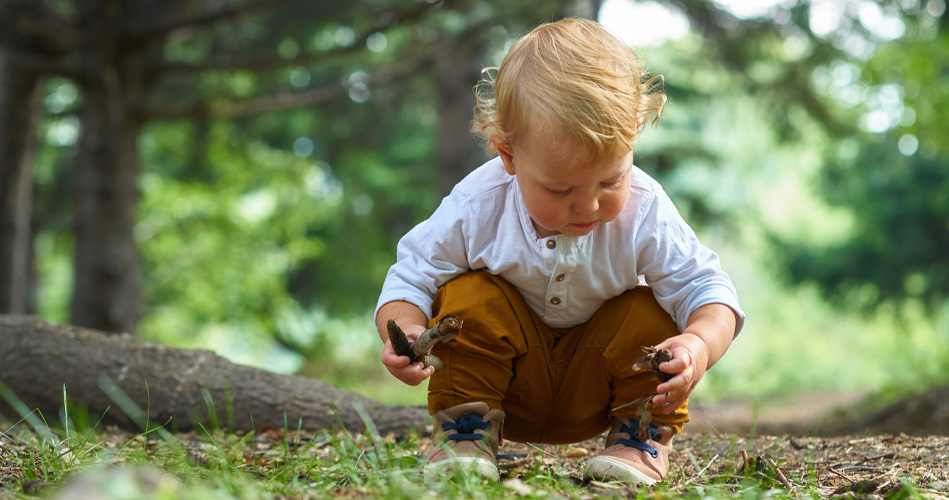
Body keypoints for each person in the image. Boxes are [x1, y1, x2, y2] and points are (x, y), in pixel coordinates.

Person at [375, 17, 744, 485]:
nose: (589, 205)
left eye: (611, 180)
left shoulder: (646, 210)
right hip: (499, 389)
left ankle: (637, 440)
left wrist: (697, 344)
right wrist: (405, 332)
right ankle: (464, 435)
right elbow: (412, 275)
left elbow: (707, 288)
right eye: (560, 188)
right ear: (508, 156)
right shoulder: (477, 205)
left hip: (601, 387)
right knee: (468, 294)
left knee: (651, 308)